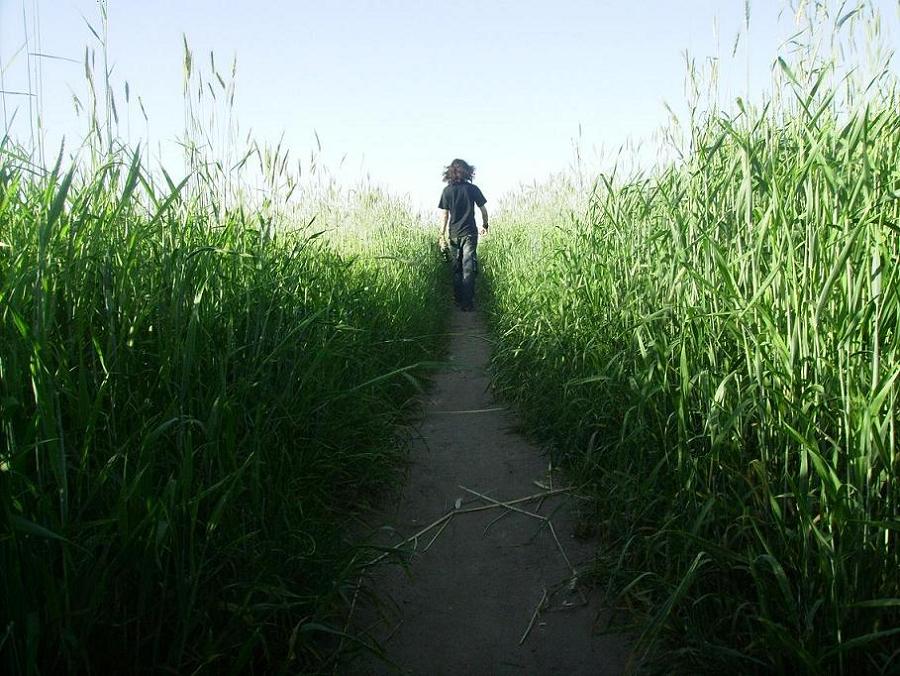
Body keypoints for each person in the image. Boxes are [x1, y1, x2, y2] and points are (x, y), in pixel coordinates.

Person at [438, 158, 488, 312]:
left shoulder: (447, 191)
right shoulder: (472, 189)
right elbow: (483, 210)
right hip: (470, 234)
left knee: (457, 268)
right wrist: (485, 225)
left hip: (453, 234)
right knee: (468, 267)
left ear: (450, 173)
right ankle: (467, 303)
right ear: (467, 171)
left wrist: (441, 235)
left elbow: (444, 215)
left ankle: (458, 299)